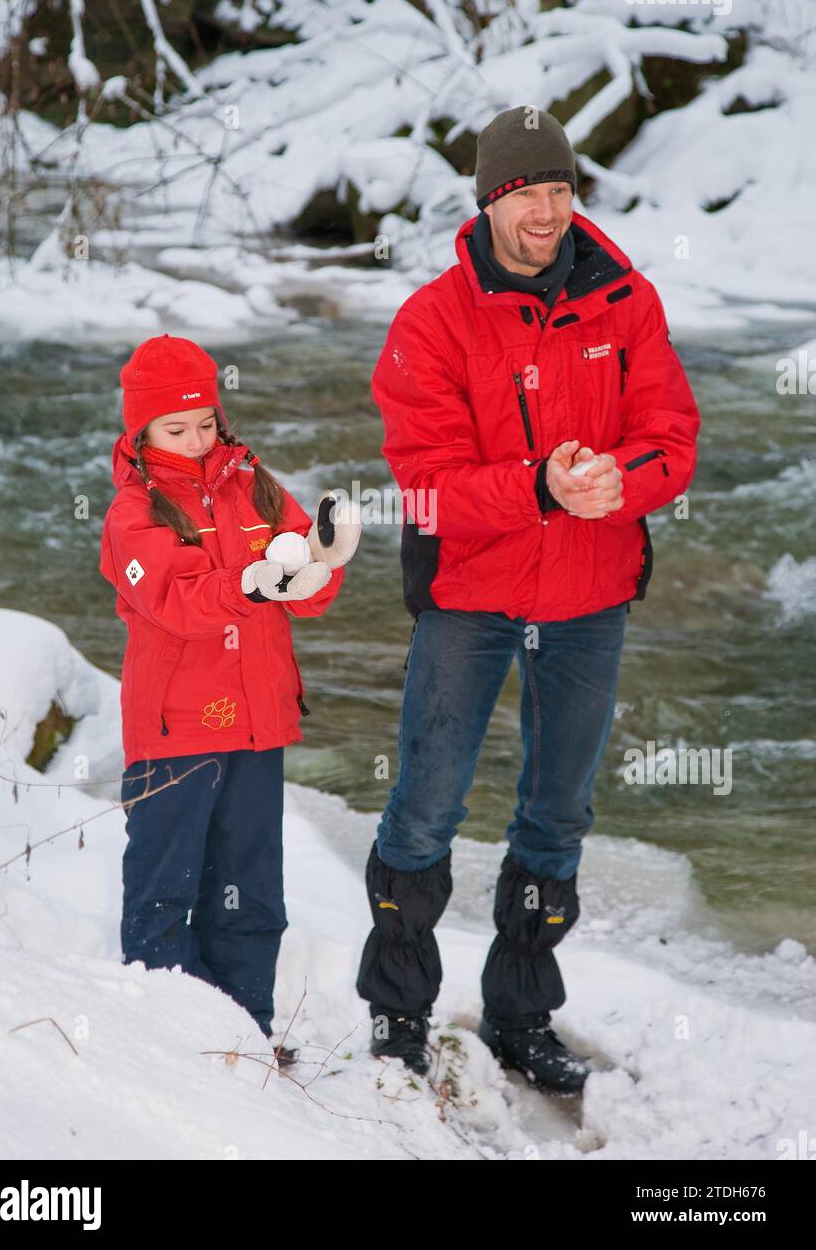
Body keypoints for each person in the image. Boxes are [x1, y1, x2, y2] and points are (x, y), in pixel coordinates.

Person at [356, 106, 700, 1092]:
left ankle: (519, 1015)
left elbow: (668, 436)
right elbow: (422, 486)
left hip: (589, 592)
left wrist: (618, 482)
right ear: (488, 200)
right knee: (423, 807)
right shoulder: (431, 320)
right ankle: (396, 1014)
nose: (545, 210)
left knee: (556, 816)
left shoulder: (622, 299)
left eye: (558, 188)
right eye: (523, 191)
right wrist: (535, 485)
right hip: (469, 592)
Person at [100, 334, 358, 1059]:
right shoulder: (132, 513)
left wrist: (322, 559)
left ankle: (244, 1036)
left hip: (257, 724)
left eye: (206, 423)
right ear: (141, 431)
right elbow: (180, 601)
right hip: (177, 730)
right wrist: (251, 584)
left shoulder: (254, 482)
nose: (196, 439)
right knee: (166, 887)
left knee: (251, 893)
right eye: (175, 429)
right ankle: (166, 1044)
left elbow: (303, 586)